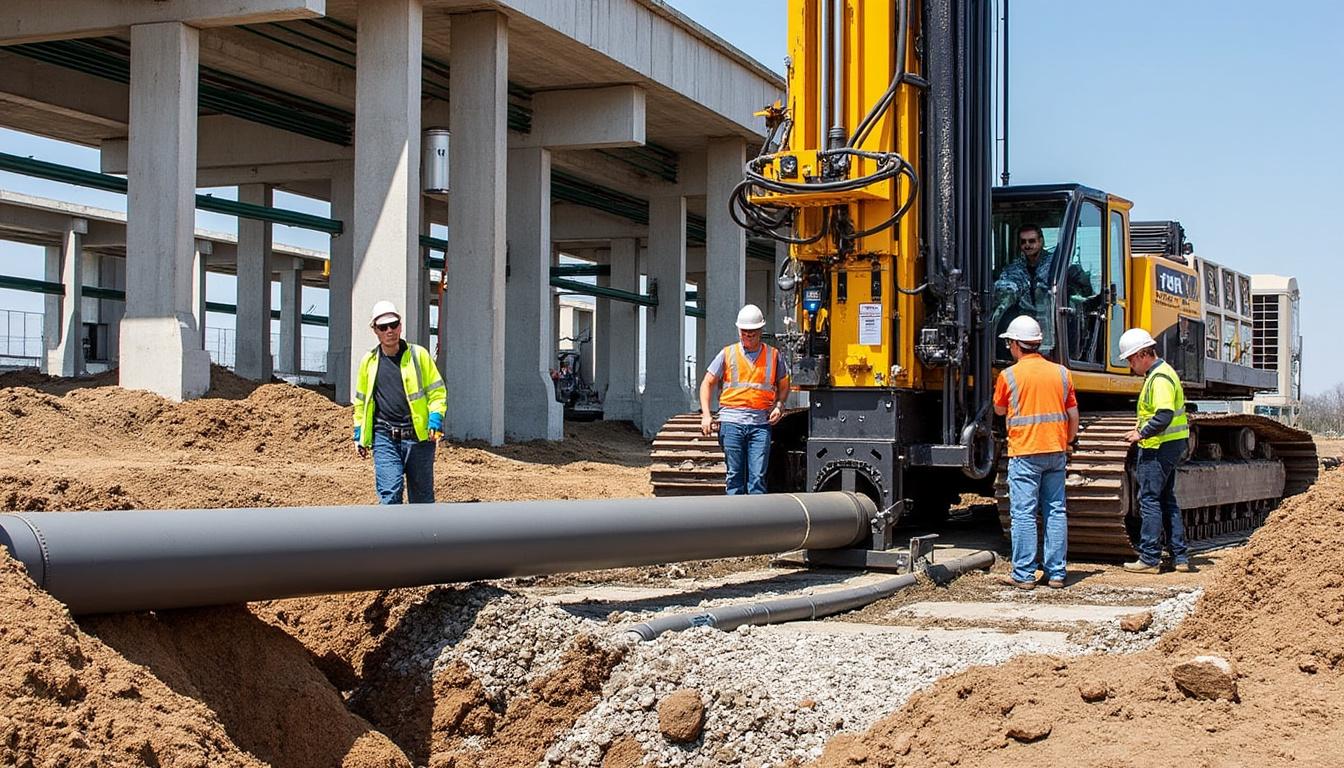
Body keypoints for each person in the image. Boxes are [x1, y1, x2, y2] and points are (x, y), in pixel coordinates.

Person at [993, 315, 1080, 590]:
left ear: (1017, 344)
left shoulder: (1009, 376)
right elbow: (1073, 414)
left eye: (1009, 344)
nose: (1009, 348)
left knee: (1024, 513)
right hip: (1055, 450)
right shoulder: (1062, 373)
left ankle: (1024, 574)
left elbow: (999, 410)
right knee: (1055, 510)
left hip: (1025, 452)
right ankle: (1056, 574)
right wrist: (1067, 441)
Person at [352, 301, 447, 504]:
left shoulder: (418, 356)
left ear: (400, 326)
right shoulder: (369, 362)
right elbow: (361, 403)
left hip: (419, 438)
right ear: (375, 330)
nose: (389, 331)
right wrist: (359, 434)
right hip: (385, 437)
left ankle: (422, 536)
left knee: (422, 499)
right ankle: (392, 537)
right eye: (383, 327)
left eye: (393, 325)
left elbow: (437, 392)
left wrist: (436, 418)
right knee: (390, 493)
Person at [1117, 328, 1193, 573]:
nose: (1130, 366)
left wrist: (1142, 433)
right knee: (1166, 499)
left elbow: (1164, 414)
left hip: (1158, 446)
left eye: (1130, 359)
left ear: (1142, 354)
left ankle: (1149, 558)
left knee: (1149, 499)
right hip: (1169, 444)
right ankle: (1179, 557)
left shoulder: (1159, 378)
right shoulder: (1161, 374)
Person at [699, 304, 791, 495]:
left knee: (757, 477)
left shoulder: (773, 356)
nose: (748, 336)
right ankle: (737, 520)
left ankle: (756, 522)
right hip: (731, 423)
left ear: (760, 331)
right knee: (734, 476)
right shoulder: (728, 354)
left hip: (760, 424)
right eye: (744, 332)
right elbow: (706, 383)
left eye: (752, 333)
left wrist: (780, 405)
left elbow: (784, 384)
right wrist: (706, 415)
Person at [993, 224, 1093, 351]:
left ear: (1041, 241)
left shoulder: (1058, 265)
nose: (1027, 245)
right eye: (1023, 242)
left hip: (1055, 324)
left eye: (1032, 241)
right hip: (1024, 325)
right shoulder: (1013, 269)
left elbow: (1085, 291)